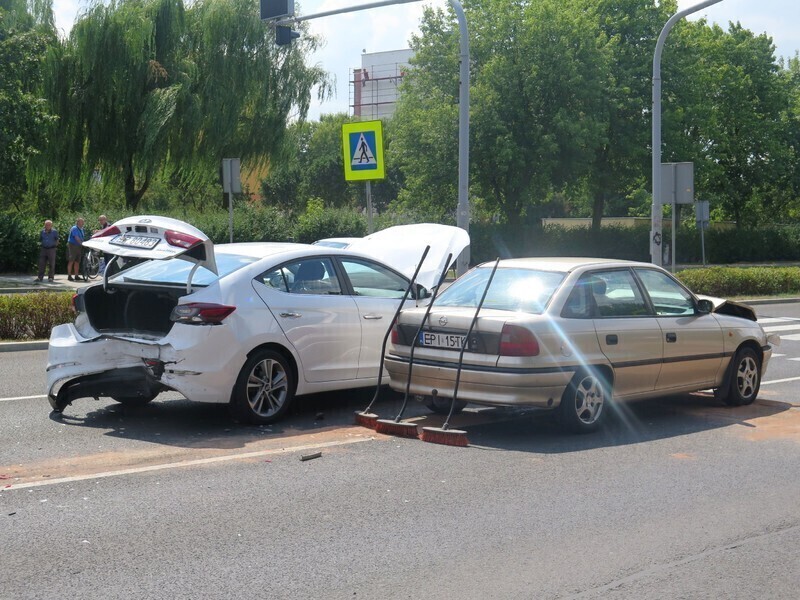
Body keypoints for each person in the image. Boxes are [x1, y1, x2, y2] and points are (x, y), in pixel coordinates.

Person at [67, 217, 85, 282]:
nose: (83, 223)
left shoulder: (82, 229)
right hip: (73, 245)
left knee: (77, 261)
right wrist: (82, 244)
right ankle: (69, 275)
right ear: (78, 222)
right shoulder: (74, 228)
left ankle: (76, 275)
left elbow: (82, 237)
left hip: (79, 246)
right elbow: (76, 237)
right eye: (81, 222)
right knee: (71, 260)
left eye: (83, 222)